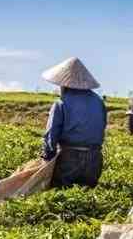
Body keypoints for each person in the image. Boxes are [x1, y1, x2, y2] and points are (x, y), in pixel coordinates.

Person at [40, 57, 107, 188]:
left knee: (61, 195)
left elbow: (51, 135)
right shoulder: (99, 102)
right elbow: (102, 127)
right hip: (95, 159)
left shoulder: (61, 103)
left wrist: (47, 157)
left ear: (64, 84)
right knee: (86, 197)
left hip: (70, 158)